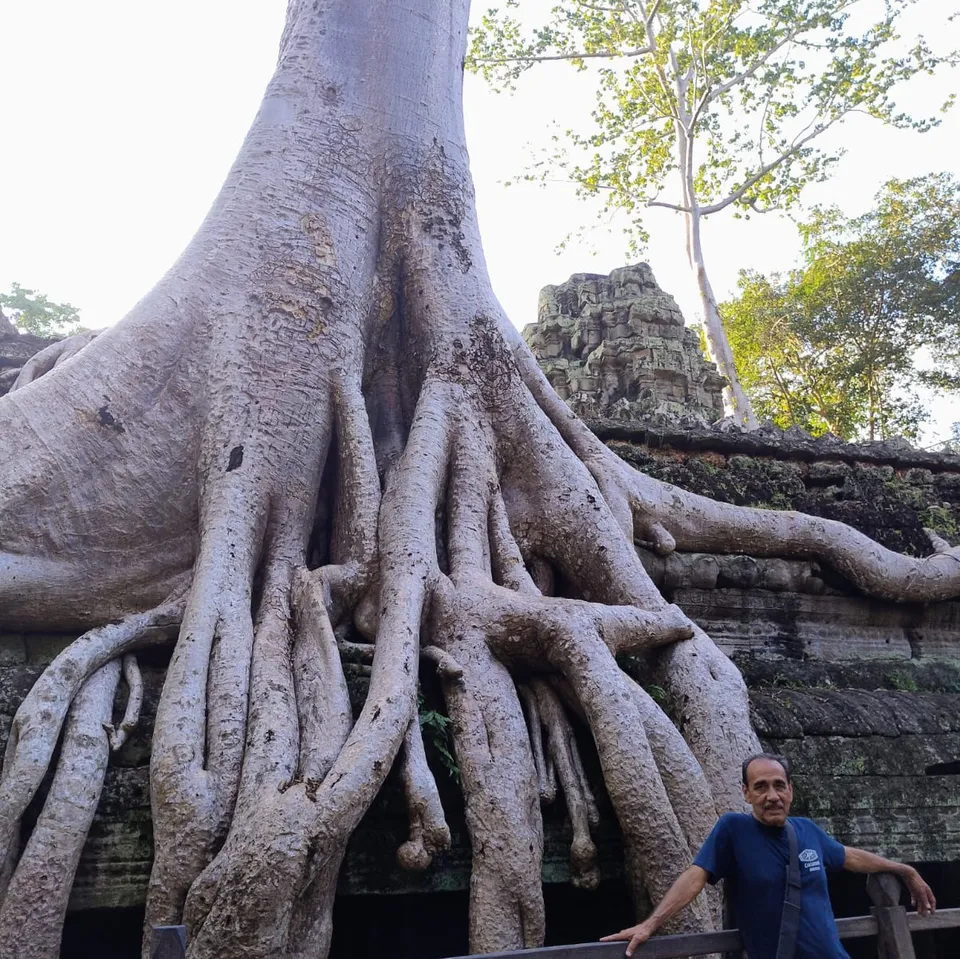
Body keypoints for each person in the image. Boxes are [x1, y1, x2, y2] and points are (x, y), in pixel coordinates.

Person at [601, 752, 936, 958]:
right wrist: (650, 925)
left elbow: (849, 856)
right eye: (760, 787)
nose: (772, 795)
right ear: (746, 793)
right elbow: (696, 875)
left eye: (779, 785)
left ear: (790, 790)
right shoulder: (734, 829)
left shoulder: (807, 831)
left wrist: (905, 870)